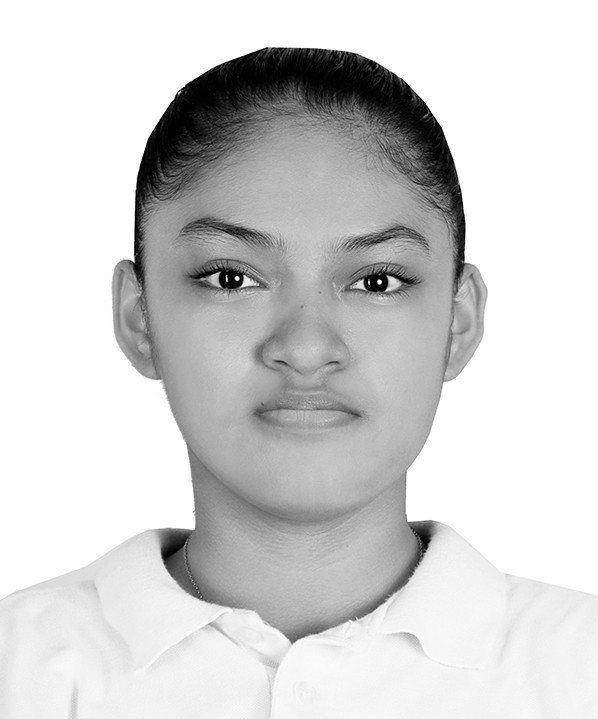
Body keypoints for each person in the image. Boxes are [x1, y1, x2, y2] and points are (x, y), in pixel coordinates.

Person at [1, 46, 596, 718]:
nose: (307, 349)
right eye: (232, 278)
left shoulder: (581, 670)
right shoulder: (18, 670)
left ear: (458, 322)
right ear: (139, 318)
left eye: (377, 281)